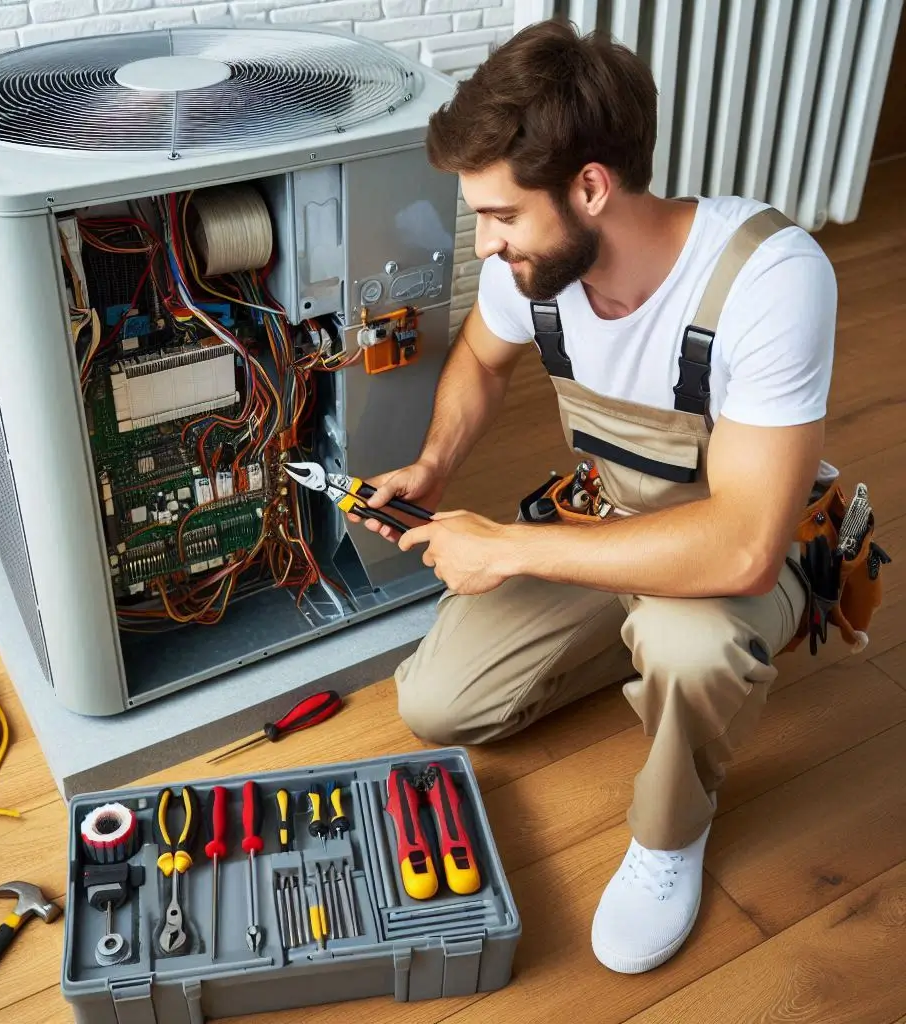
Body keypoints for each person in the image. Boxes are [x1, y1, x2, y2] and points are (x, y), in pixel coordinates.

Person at [355, 18, 839, 974]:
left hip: (748, 545)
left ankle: (670, 835)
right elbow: (484, 364)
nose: (484, 245)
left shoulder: (769, 279)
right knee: (441, 705)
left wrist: (507, 547)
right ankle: (643, 649)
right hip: (610, 517)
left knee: (691, 645)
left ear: (590, 186)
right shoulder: (538, 267)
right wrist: (436, 466)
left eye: (500, 217)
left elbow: (742, 544)